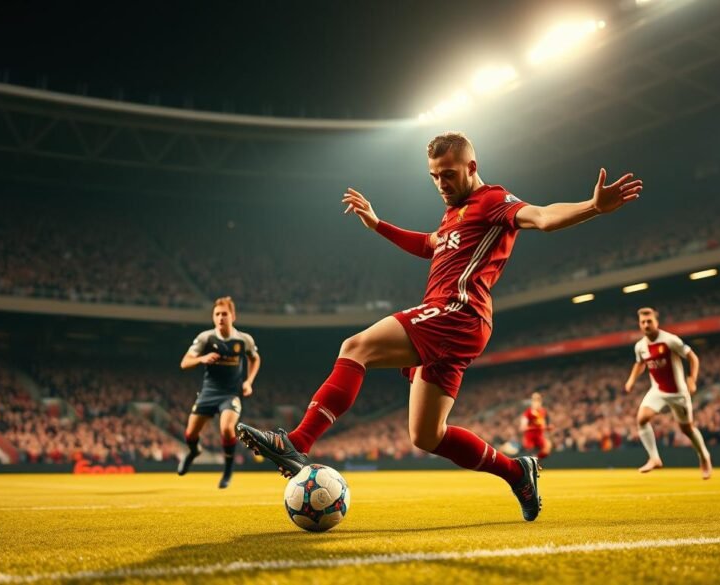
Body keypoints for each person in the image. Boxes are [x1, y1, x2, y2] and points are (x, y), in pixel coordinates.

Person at [238, 131, 641, 521]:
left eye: (448, 174)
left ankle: (297, 441)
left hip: (457, 312)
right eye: (434, 176)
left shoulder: (493, 200)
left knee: (355, 347)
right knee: (427, 435)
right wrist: (379, 225)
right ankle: (517, 473)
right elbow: (429, 244)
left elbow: (542, 217)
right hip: (455, 321)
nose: (441, 184)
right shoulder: (453, 214)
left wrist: (593, 206)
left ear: (472, 167)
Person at [179, 297, 260, 489]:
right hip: (208, 392)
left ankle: (228, 471)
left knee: (227, 428)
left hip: (231, 393)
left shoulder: (244, 340)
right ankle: (194, 451)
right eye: (217, 314)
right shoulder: (205, 338)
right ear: (213, 317)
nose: (221, 317)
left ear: (233, 316)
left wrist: (248, 381)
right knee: (190, 433)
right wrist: (201, 359)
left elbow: (255, 359)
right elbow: (185, 362)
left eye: (224, 314)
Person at [624, 307, 712, 479]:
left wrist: (692, 379)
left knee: (687, 429)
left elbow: (693, 358)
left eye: (649, 321)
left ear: (656, 322)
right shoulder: (640, 346)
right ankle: (654, 458)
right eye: (643, 322)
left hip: (678, 393)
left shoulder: (670, 340)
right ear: (639, 324)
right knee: (641, 419)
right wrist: (631, 380)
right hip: (657, 390)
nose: (646, 325)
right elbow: (640, 363)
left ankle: (704, 456)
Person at [520, 392, 551, 459]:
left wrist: (547, 427)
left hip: (539, 437)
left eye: (538, 400)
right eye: (535, 400)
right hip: (530, 437)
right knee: (532, 453)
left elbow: (544, 424)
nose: (537, 402)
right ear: (532, 402)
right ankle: (534, 460)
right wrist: (531, 427)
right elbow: (523, 427)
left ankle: (536, 460)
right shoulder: (528, 413)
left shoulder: (543, 411)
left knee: (547, 447)